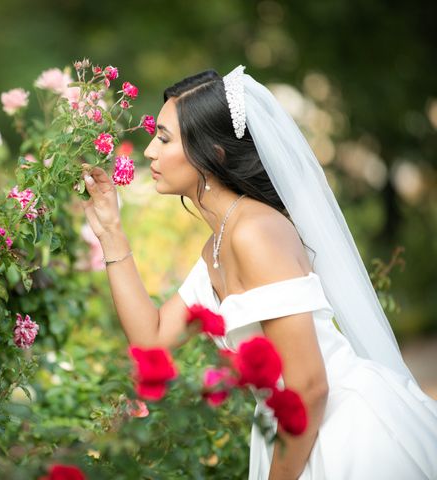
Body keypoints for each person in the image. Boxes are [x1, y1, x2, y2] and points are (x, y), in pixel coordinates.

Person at [81, 66, 437, 479]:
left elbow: (309, 387)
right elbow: (153, 339)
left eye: (164, 138)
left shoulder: (255, 234)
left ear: (212, 152)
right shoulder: (219, 242)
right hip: (293, 433)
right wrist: (110, 231)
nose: (149, 153)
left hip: (342, 436)